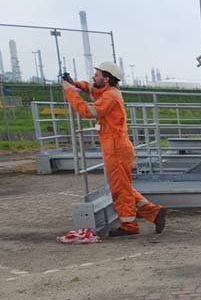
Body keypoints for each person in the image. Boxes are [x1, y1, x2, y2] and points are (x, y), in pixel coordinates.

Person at [62, 62, 167, 237]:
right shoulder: (107, 92)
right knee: (122, 185)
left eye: (97, 75)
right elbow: (92, 89)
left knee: (120, 189)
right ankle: (153, 212)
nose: (93, 77)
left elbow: (88, 111)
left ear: (107, 78)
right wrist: (75, 84)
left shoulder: (110, 96)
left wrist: (70, 92)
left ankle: (129, 225)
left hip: (116, 148)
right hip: (116, 146)